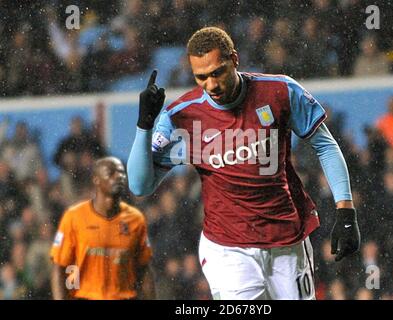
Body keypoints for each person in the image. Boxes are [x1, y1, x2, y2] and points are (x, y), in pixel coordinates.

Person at [127, 27, 360, 300]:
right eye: (201, 77)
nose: (211, 85)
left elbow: (325, 145)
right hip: (228, 249)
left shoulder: (280, 91)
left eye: (217, 73)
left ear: (234, 59)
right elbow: (140, 185)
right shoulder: (183, 117)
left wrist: (345, 211)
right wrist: (144, 126)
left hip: (287, 240)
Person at [50, 156, 155, 300]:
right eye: (111, 173)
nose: (118, 177)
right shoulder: (74, 217)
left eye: (121, 173)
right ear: (96, 180)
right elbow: (60, 268)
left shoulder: (135, 220)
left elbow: (144, 269)